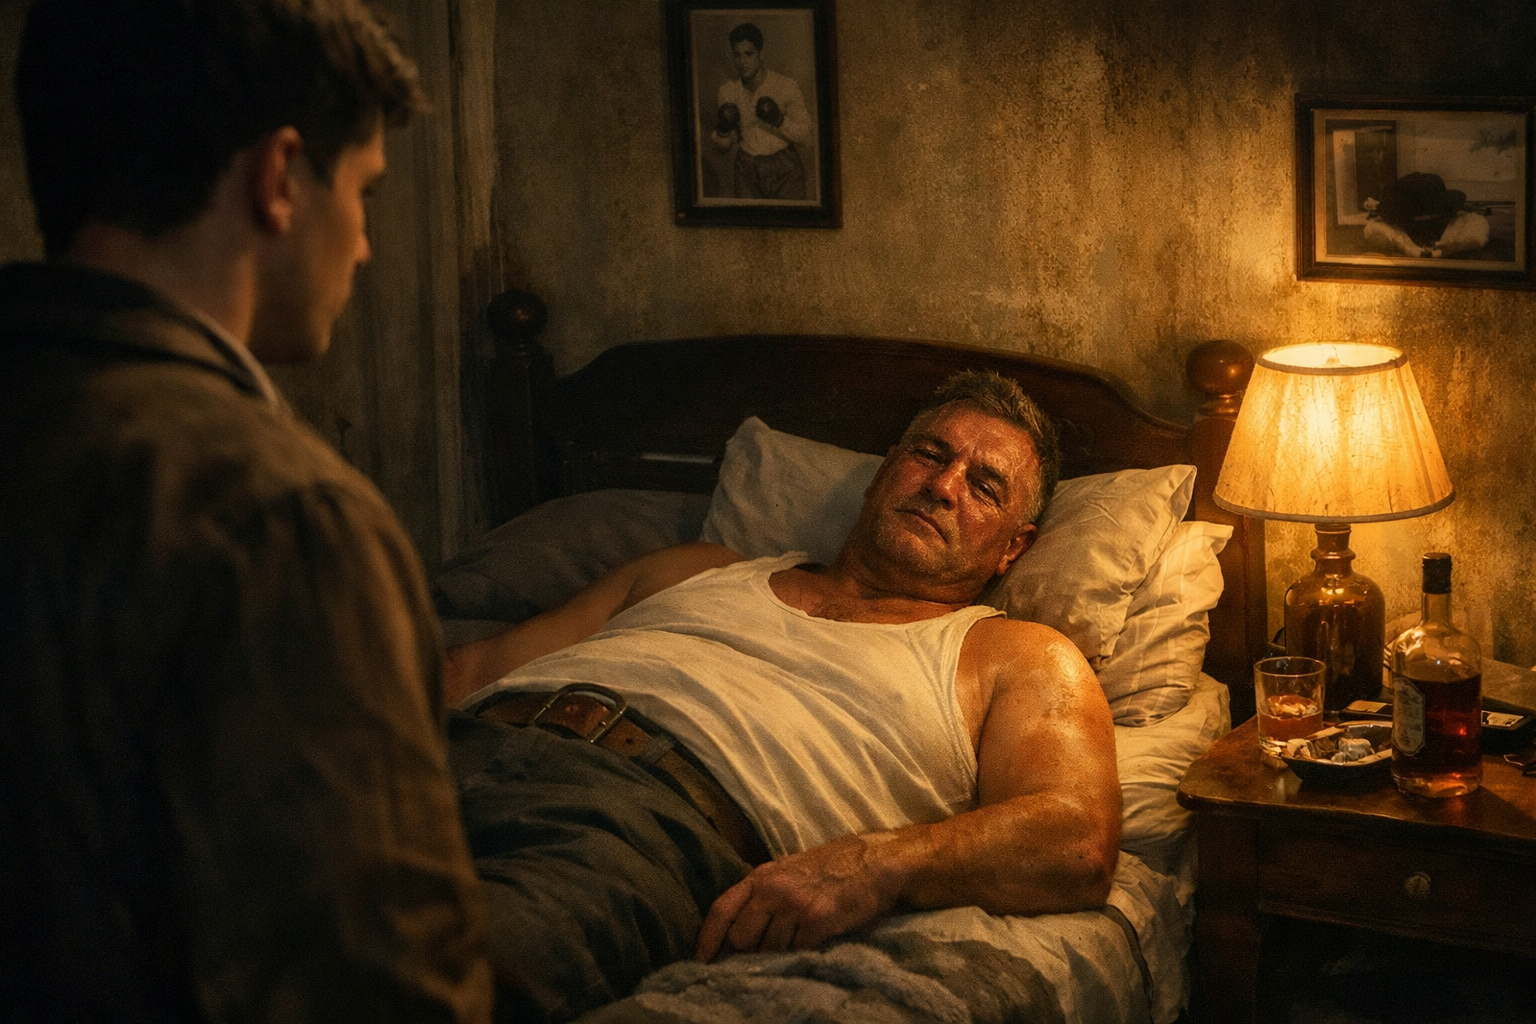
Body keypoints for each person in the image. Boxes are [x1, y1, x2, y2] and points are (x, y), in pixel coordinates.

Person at [1, 1, 493, 1020]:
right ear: (279, 177)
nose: (365, 246)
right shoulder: (280, 520)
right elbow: (379, 992)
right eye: (363, 192)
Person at [443, 372, 1122, 1022]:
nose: (943, 486)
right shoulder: (696, 567)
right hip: (448, 755)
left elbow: (1077, 839)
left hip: (630, 827)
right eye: (929, 455)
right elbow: (470, 670)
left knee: (438, 970)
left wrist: (875, 864)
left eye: (984, 486)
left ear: (1014, 548)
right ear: (884, 471)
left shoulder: (1016, 655)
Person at [709, 22, 813, 199]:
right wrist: (724, 129)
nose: (742, 62)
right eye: (737, 55)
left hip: (785, 169)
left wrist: (778, 120)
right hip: (746, 168)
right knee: (749, 217)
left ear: (761, 54)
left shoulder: (786, 86)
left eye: (748, 54)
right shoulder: (728, 91)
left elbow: (807, 137)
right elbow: (724, 148)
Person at [1362, 171, 1491, 259]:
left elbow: (1476, 230)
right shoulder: (1396, 229)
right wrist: (1408, 248)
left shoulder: (1462, 223)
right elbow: (1373, 229)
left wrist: (1448, 248)